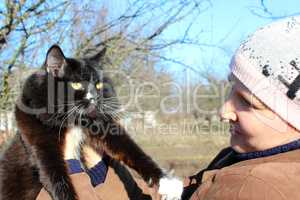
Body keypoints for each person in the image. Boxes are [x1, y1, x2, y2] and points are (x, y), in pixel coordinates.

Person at [38, 15, 300, 200]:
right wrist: (97, 163)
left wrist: (68, 163)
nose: (224, 110)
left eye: (249, 102)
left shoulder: (256, 187)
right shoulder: (244, 158)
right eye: (232, 89)